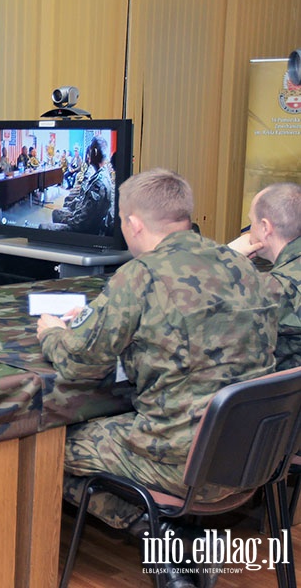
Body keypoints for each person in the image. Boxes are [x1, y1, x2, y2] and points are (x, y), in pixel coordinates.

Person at [36, 169, 279, 588]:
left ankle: (162, 535)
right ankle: (178, 541)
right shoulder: (241, 266)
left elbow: (80, 364)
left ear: (133, 223)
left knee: (49, 447)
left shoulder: (139, 275)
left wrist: (52, 333)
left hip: (178, 459)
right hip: (251, 454)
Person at [228, 182, 301, 371]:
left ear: (265, 227)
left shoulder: (276, 288)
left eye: (251, 222)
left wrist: (226, 258)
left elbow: (194, 308)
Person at [48, 136, 113, 234]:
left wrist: (67, 219)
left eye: (89, 152)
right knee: (57, 213)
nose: (88, 156)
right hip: (86, 222)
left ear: (94, 152)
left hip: (85, 232)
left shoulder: (98, 184)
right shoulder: (102, 174)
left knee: (44, 225)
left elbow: (82, 222)